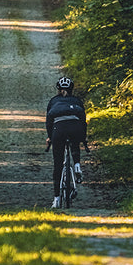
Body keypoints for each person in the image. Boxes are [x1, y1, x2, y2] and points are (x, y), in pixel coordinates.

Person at [46, 76, 87, 208]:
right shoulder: (77, 101)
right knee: (75, 142)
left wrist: (49, 137)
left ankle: (57, 199)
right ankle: (77, 165)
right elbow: (83, 120)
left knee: (58, 165)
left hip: (59, 130)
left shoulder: (53, 101)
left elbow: (49, 121)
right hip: (76, 127)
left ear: (58, 89)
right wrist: (83, 137)